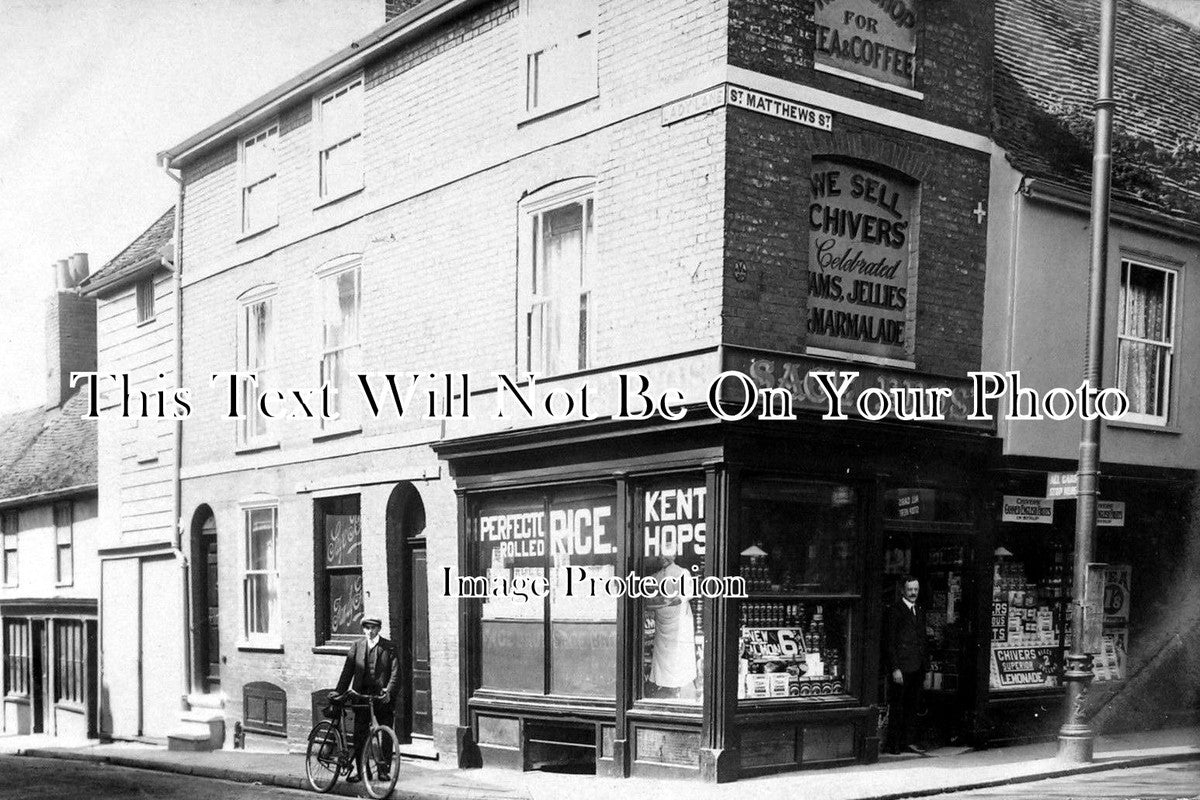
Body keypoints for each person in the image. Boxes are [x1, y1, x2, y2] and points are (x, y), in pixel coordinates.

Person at [335, 616, 400, 781]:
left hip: (381, 697)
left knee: (386, 734)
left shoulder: (389, 647)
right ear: (363, 629)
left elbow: (395, 672)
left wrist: (389, 691)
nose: (370, 632)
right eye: (367, 628)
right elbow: (347, 672)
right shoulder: (357, 646)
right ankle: (362, 771)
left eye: (373, 628)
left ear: (379, 629)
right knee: (360, 735)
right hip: (361, 697)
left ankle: (384, 771)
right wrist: (338, 692)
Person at [885, 576, 928, 755]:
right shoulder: (896, 610)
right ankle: (893, 744)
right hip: (902, 668)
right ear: (903, 590)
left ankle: (906, 742)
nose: (913, 593)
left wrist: (925, 665)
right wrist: (895, 668)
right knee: (898, 706)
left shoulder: (919, 609)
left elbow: (922, 639)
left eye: (916, 590)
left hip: (916, 666)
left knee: (912, 706)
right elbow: (890, 641)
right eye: (910, 590)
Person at [646, 555, 698, 698]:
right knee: (663, 653)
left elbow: (686, 594)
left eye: (666, 555)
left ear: (674, 555)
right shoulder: (655, 577)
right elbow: (651, 595)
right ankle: (661, 683)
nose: (663, 558)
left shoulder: (683, 573)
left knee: (678, 653)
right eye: (660, 555)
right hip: (663, 619)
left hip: (679, 620)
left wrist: (672, 599)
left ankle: (678, 686)